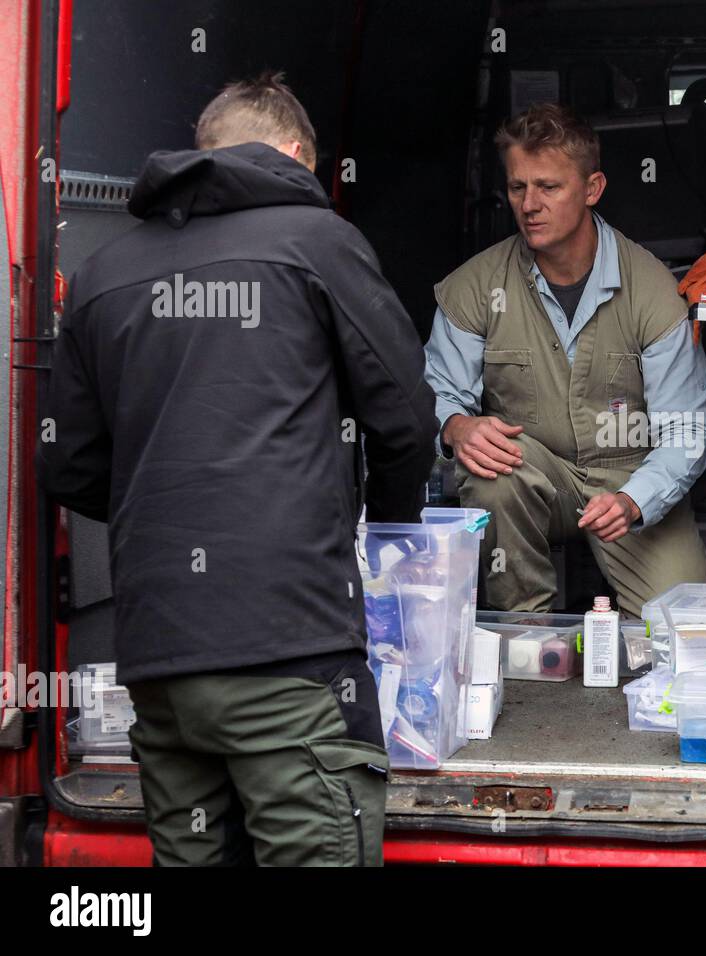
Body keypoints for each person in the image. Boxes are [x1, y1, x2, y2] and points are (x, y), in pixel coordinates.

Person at [37, 72, 440, 865]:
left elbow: (70, 466)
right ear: (293, 154)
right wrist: (390, 526)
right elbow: (403, 413)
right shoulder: (317, 242)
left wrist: (163, 509)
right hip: (288, 653)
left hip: (159, 663)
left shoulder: (103, 274)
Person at [424, 103, 706, 616]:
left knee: (684, 631)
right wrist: (454, 425)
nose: (529, 205)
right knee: (492, 468)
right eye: (518, 188)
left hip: (631, 478)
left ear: (592, 188)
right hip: (534, 474)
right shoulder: (475, 286)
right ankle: (526, 638)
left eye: (549, 187)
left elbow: (688, 431)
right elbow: (438, 395)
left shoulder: (652, 289)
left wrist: (634, 499)